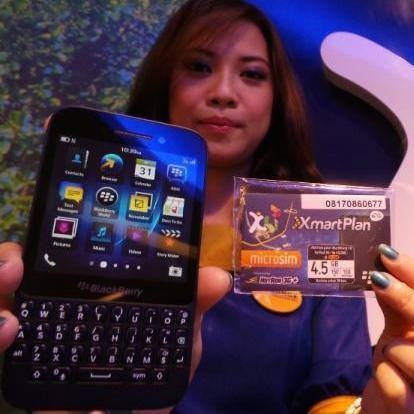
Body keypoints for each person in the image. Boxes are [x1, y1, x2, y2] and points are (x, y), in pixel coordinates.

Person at [1, 0, 414, 413]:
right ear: (165, 82)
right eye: (199, 67)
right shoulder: (101, 219)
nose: (223, 94)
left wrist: (372, 407)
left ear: (277, 98)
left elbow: (335, 388)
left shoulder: (320, 227)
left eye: (252, 74)